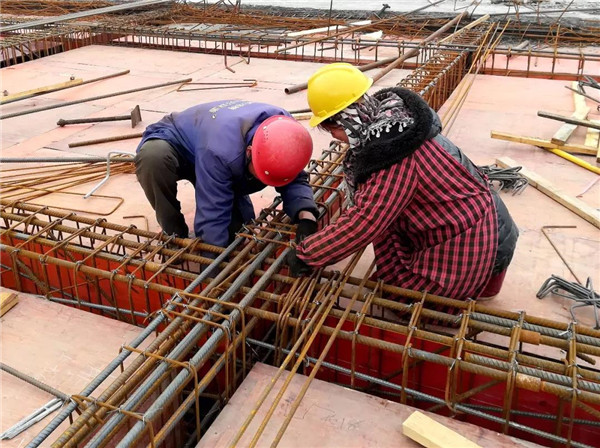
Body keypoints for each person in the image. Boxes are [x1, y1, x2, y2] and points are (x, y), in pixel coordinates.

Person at [286, 63, 518, 300]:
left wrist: (307, 254)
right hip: (473, 222)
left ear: (347, 119)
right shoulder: (394, 124)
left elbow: (364, 221)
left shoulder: (395, 153)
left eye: (332, 129)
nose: (334, 137)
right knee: (389, 238)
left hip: (484, 247)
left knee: (408, 301)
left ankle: (469, 290)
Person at [135, 100, 319, 248]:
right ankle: (173, 234)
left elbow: (293, 178)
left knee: (236, 232)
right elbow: (212, 215)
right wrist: (211, 266)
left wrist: (306, 216)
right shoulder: (222, 152)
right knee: (153, 159)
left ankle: (235, 202)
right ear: (249, 152)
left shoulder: (286, 132)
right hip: (178, 143)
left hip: (214, 147)